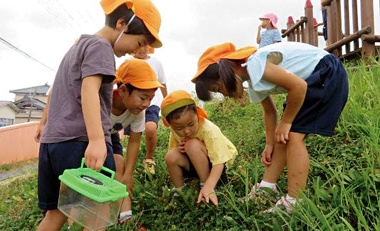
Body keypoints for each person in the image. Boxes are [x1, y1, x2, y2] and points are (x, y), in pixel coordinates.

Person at [33, 0, 162, 231]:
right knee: (98, 215)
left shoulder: (77, 46)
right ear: (122, 24)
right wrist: (95, 140)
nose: (136, 51)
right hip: (80, 143)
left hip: (54, 145)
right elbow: (89, 91)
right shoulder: (101, 47)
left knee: (55, 214)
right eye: (139, 42)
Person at [192, 42, 348, 213]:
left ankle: (295, 201)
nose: (224, 94)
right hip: (311, 80)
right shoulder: (253, 79)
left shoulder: (256, 63)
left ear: (226, 71)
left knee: (293, 136)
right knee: (283, 136)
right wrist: (269, 144)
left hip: (325, 74)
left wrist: (287, 121)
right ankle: (266, 188)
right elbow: (270, 113)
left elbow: (299, 86)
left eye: (218, 88)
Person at [110, 59, 164, 231]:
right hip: (86, 137)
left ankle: (125, 218)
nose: (146, 104)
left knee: (121, 168)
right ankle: (72, 227)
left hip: (110, 137)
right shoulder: (102, 101)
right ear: (123, 90)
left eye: (151, 99)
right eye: (143, 97)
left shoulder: (138, 111)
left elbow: (134, 140)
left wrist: (129, 174)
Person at [161, 90, 238, 207]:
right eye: (179, 128)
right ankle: (180, 191)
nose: (186, 131)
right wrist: (181, 149)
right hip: (196, 163)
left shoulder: (208, 130)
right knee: (171, 155)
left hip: (219, 165)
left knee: (192, 145)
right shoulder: (174, 131)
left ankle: (206, 185)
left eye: (191, 124)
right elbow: (174, 152)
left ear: (197, 114)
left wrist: (209, 185)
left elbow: (219, 162)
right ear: (170, 125)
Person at [125, 45, 168, 175]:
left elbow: (163, 83)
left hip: (151, 102)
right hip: (133, 104)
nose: (141, 49)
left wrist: (167, 102)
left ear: (150, 46)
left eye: (145, 45)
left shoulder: (156, 63)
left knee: (150, 129)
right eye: (138, 45)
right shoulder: (128, 62)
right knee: (133, 135)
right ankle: (129, 163)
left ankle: (149, 159)